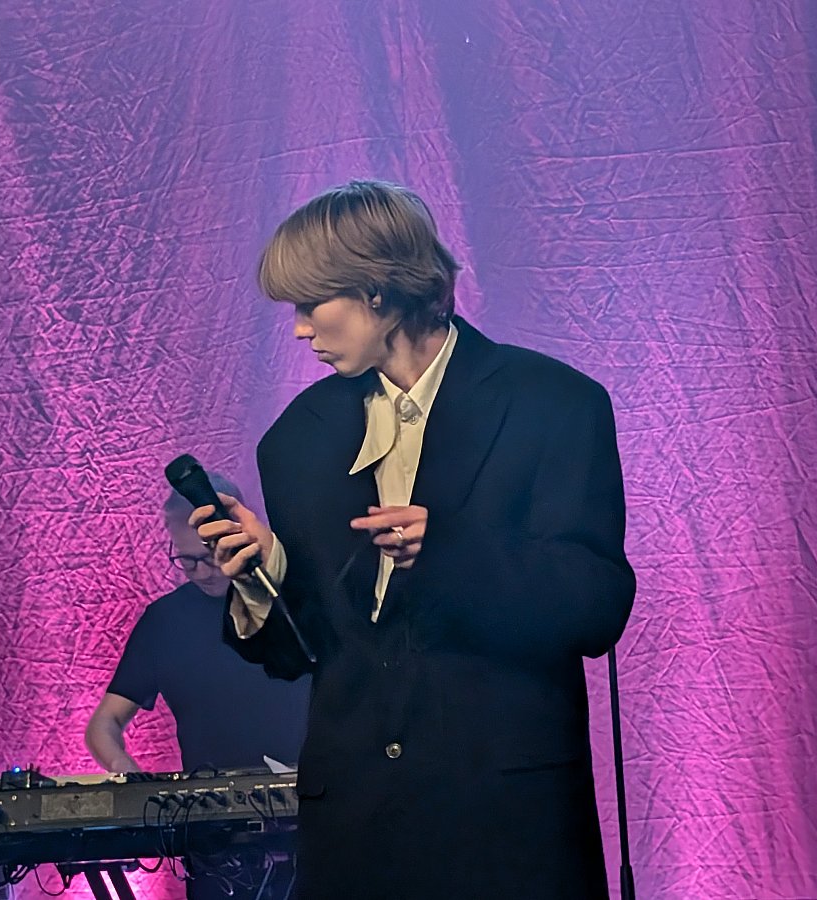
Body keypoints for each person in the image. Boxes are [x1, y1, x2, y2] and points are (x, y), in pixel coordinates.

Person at [192, 180, 636, 899]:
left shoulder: (554, 403)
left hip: (506, 828)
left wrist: (451, 552)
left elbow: (596, 607)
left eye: (311, 304)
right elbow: (304, 655)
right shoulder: (295, 441)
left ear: (376, 288)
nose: (300, 330)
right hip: (356, 837)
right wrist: (262, 570)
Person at [86, 479, 307, 899]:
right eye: (187, 561)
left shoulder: (295, 602)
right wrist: (125, 770)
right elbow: (104, 724)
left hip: (311, 821)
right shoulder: (165, 621)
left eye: (210, 556)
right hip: (213, 842)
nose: (203, 572)